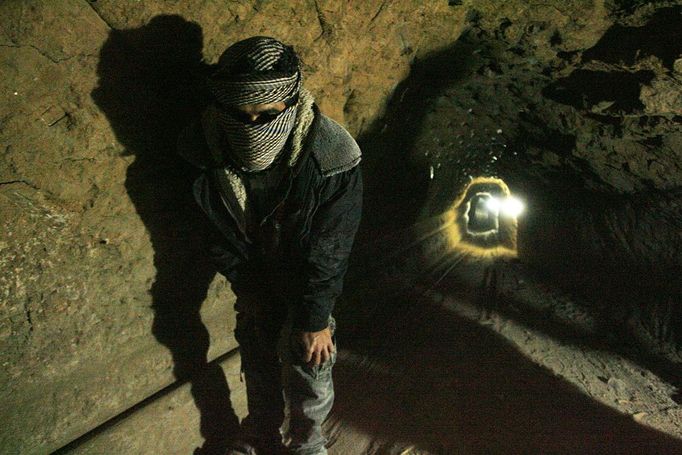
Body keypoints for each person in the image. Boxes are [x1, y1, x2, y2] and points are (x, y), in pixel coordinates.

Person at [177, 36, 363, 455]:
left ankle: (308, 443)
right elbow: (215, 233)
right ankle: (260, 434)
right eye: (240, 115)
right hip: (254, 271)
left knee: (310, 364)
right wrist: (249, 289)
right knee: (256, 355)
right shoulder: (203, 149)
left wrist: (314, 317)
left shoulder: (333, 157)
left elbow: (331, 247)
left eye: (264, 114)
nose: (251, 125)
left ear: (290, 102)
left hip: (306, 277)